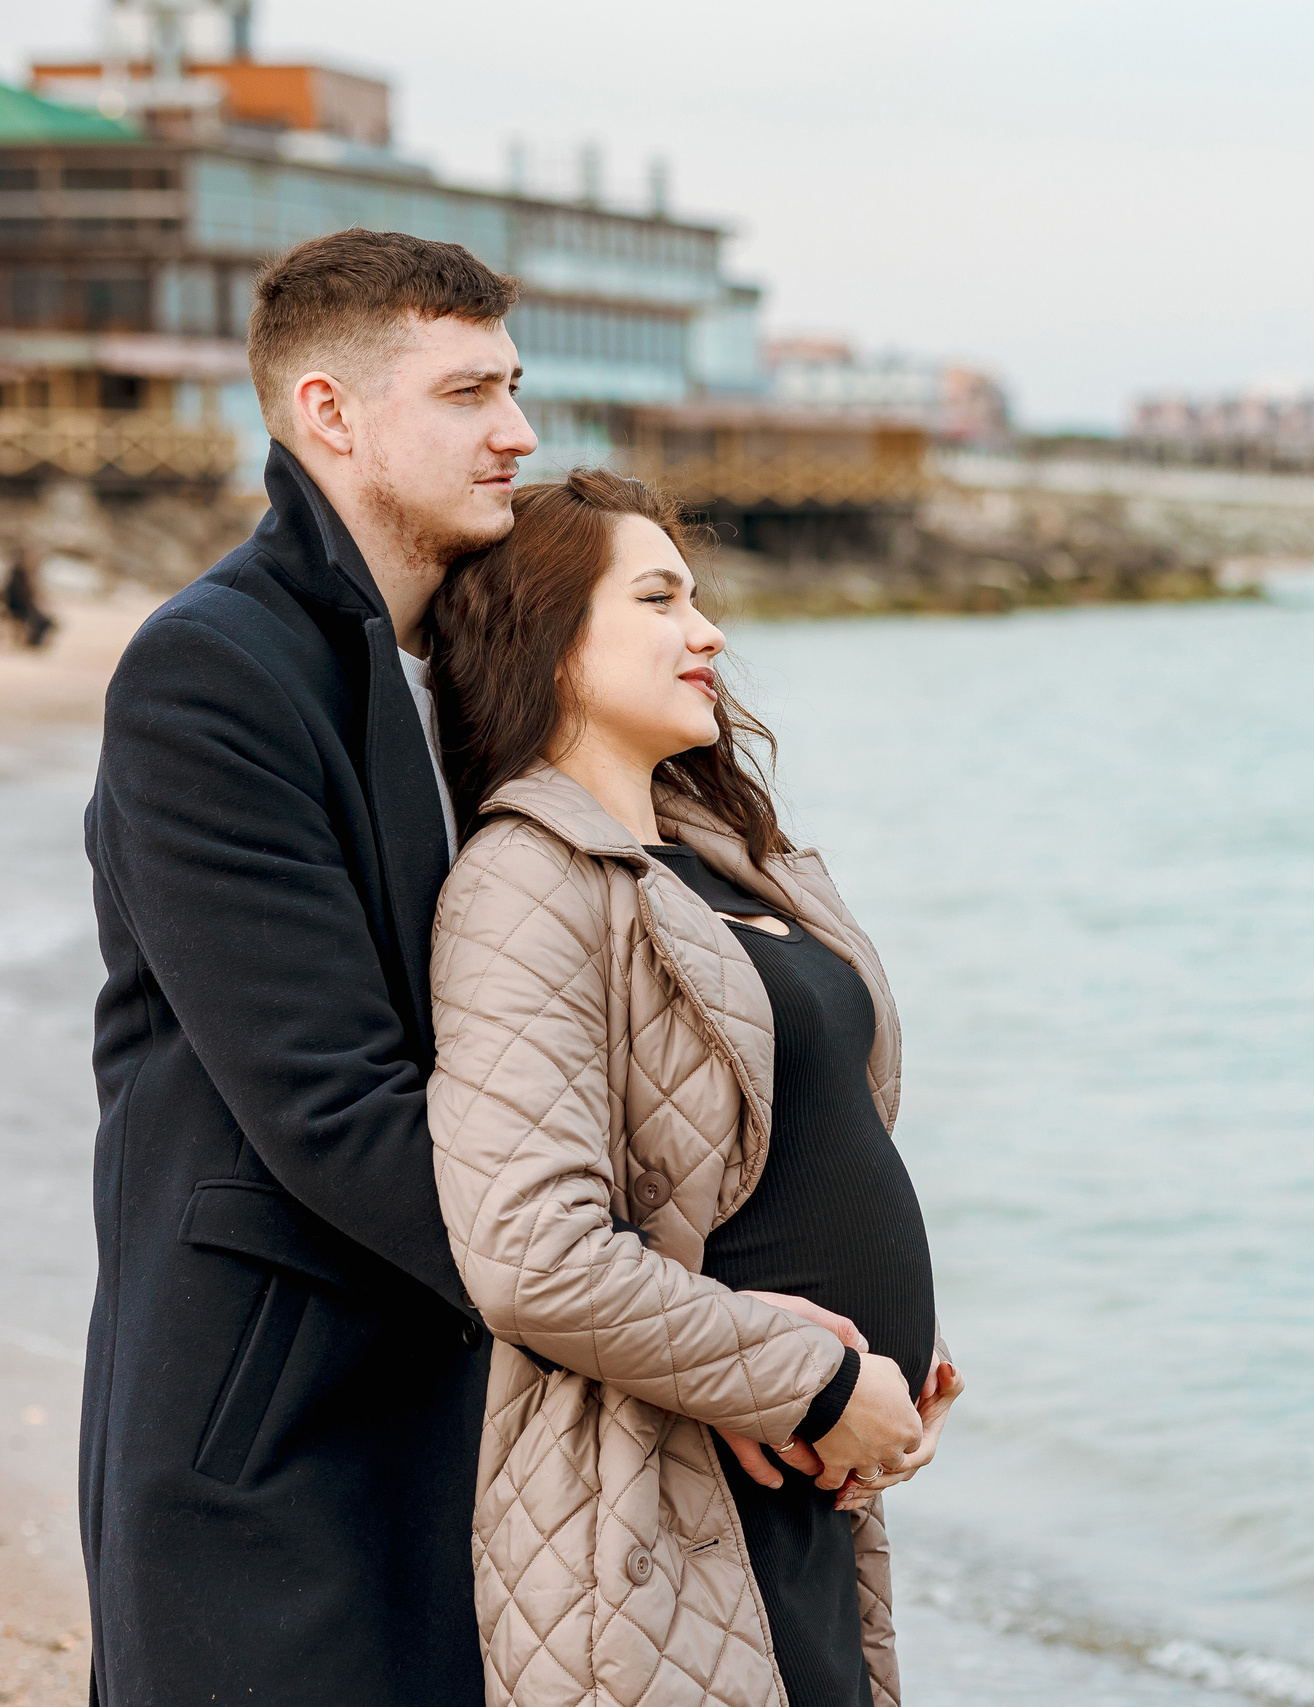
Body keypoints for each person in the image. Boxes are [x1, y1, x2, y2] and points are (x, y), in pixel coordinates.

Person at [81, 227, 536, 1705]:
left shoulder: (456, 675)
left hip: (447, 1408)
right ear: (330, 412)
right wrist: (664, 1328)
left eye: (513, 388)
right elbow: (336, 1105)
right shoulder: (210, 668)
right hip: (268, 1438)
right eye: (468, 392)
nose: (516, 432)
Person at [423, 469, 962, 1707]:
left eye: (699, 597)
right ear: (548, 642)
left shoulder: (716, 859)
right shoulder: (526, 883)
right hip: (658, 1500)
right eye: (660, 598)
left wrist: (898, 1350)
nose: (707, 632)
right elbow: (530, 1254)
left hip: (797, 1475)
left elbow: (774, 1153)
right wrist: (816, 1374)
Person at [5, 555, 58, 648]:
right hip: (19, 608)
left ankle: (36, 640)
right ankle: (35, 640)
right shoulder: (18, 579)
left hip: (24, 607)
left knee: (44, 620)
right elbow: (20, 596)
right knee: (42, 621)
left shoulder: (19, 578)